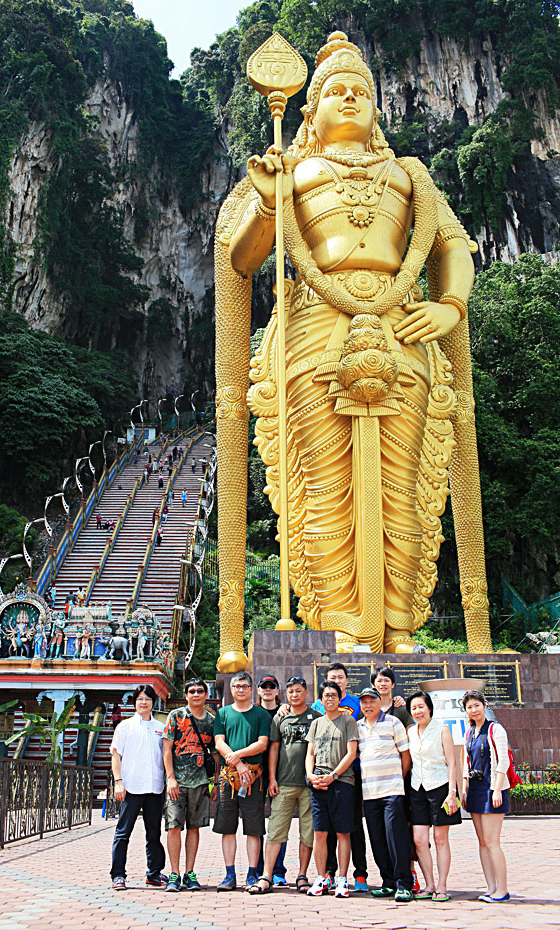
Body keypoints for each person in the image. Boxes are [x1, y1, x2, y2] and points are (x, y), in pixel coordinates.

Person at [216, 31, 488, 661]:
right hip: (315, 334)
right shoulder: (293, 172)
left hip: (401, 333)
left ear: (377, 110)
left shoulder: (409, 176)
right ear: (307, 112)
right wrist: (265, 201)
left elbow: (451, 247)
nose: (347, 98)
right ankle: (339, 627)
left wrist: (449, 305)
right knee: (322, 483)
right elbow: (243, 258)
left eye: (359, 91)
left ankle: (398, 627)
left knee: (403, 483)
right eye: (333, 90)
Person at [249, 676, 321, 895]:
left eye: (299, 691)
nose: (295, 695)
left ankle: (302, 875)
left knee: (307, 833)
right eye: (291, 692)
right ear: (286, 694)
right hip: (284, 783)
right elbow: (273, 749)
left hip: (309, 784)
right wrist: (272, 778)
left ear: (306, 692)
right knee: (276, 830)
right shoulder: (281, 718)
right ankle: (266, 876)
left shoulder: (316, 718)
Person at [310, 662, 368, 892]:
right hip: (323, 777)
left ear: (346, 681)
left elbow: (375, 712)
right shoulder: (317, 706)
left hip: (350, 774)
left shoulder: (356, 703)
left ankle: (360, 873)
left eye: (341, 677)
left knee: (352, 826)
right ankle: (329, 873)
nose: (337, 680)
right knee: (327, 829)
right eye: (333, 677)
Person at [213, 671, 271, 891]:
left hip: (253, 778)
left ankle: (251, 873)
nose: (240, 690)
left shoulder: (260, 715)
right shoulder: (223, 713)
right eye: (237, 686)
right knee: (228, 828)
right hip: (229, 777)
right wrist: (237, 762)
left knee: (254, 828)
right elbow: (219, 742)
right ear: (231, 689)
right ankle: (229, 874)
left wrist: (239, 756)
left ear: (251, 688)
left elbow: (262, 743)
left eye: (245, 686)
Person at [357, 687, 413, 902]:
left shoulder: (393, 722)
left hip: (392, 792)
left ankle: (403, 884)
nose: (368, 705)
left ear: (380, 702)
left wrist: (399, 778)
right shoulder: (358, 726)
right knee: (378, 839)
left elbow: (405, 754)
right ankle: (388, 882)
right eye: (364, 702)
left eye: (372, 701)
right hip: (369, 793)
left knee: (395, 837)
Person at [163, 679, 218, 892]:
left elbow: (215, 753)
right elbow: (167, 749)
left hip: (200, 781)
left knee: (195, 827)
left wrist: (214, 782)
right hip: (177, 782)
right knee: (174, 826)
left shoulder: (212, 721)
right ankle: (174, 873)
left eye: (200, 691)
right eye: (192, 691)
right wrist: (170, 778)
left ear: (206, 694)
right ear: (186, 695)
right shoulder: (176, 716)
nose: (196, 694)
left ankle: (190, 872)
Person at [110, 684, 166, 891]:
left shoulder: (160, 727)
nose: (144, 703)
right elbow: (116, 755)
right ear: (135, 702)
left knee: (154, 833)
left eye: (148, 699)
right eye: (140, 699)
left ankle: (154, 873)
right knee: (123, 833)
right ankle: (118, 875)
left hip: (154, 788)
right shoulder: (124, 727)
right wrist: (118, 782)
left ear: (153, 702)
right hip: (131, 787)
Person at [406, 690, 461, 900]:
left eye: (421, 707)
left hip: (440, 788)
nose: (418, 711)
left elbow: (452, 762)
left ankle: (442, 885)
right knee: (419, 840)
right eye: (414, 708)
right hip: (417, 789)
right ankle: (428, 884)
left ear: (429, 708)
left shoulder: (442, 730)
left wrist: (452, 793)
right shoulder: (411, 732)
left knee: (440, 839)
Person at [305, 680, 358, 898]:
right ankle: (321, 877)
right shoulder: (316, 724)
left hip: (342, 782)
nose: (330, 699)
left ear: (340, 698)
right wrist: (310, 775)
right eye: (326, 696)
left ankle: (342, 879)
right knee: (319, 833)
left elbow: (351, 753)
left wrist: (334, 775)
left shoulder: (348, 721)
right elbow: (310, 753)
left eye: (333, 695)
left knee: (343, 832)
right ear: (321, 699)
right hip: (318, 783)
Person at [371, 665, 417, 891]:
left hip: (397, 782)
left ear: (393, 684)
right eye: (378, 681)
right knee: (378, 833)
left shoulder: (400, 710)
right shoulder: (366, 712)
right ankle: (388, 880)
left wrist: (402, 775)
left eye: (386, 680)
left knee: (399, 830)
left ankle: (407, 878)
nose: (382, 684)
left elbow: (408, 745)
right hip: (371, 785)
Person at [461, 690, 510, 903]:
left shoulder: (495, 729)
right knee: (482, 842)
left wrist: (497, 789)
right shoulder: (469, 732)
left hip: (492, 789)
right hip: (475, 790)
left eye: (477, 705)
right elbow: (466, 763)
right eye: (469, 707)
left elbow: (503, 761)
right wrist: (464, 788)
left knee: (492, 842)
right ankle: (491, 887)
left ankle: (503, 889)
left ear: (484, 706)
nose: (474, 710)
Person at [255, 676, 287, 886]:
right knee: (256, 823)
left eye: (271, 686)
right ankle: (258, 868)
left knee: (279, 822)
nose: (267, 690)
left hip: (281, 772)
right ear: (258, 691)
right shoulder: (253, 713)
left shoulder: (286, 713)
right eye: (264, 686)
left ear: (277, 691)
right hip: (257, 771)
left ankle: (277, 869)